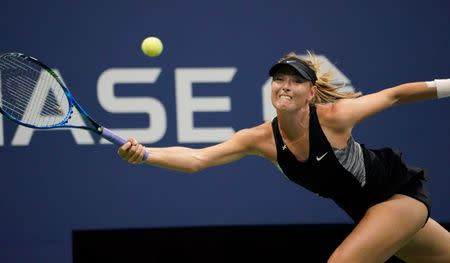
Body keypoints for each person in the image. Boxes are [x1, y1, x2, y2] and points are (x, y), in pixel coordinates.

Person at [117, 51, 450, 263]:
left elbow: (394, 96)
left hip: (398, 196)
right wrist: (146, 154)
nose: (285, 86)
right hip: (368, 212)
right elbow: (198, 159)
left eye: (296, 81)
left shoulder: (334, 117)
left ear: (311, 92)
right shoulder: (261, 138)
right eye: (279, 79)